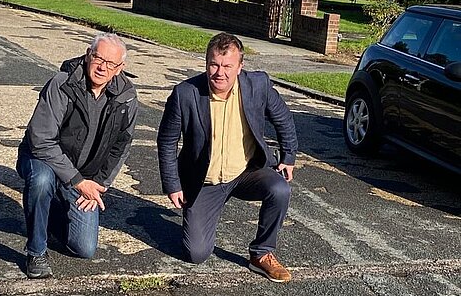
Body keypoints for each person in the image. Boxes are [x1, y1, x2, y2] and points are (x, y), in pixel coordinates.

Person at [157, 32, 297, 283]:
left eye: (227, 66)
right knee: (196, 254)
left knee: (280, 189)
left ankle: (262, 253)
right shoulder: (185, 94)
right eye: (214, 64)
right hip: (204, 182)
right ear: (206, 63)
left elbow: (283, 118)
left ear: (240, 67)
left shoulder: (258, 85)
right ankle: (199, 218)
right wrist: (173, 184)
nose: (219, 73)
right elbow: (167, 141)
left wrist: (288, 155)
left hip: (246, 172)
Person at [16, 33, 138, 279]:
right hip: (44, 160)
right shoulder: (62, 83)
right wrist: (77, 180)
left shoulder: (127, 97)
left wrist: (100, 184)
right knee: (41, 181)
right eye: (98, 58)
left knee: (84, 248)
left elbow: (121, 145)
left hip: (83, 175)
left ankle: (46, 212)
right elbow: (41, 141)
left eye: (111, 64)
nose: (102, 67)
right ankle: (36, 252)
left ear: (120, 68)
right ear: (87, 54)